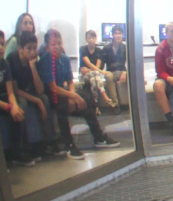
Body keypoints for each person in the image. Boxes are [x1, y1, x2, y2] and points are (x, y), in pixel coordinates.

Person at [37, 30, 120, 159]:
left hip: (64, 92)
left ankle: (98, 137)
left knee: (87, 99)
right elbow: (53, 88)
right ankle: (68, 144)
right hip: (50, 95)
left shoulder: (64, 59)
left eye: (59, 43)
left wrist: (72, 94)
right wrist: (72, 96)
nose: (58, 46)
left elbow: (70, 81)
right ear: (47, 47)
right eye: (54, 44)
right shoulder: (45, 60)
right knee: (62, 105)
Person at [7, 31, 59, 160]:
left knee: (45, 98)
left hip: (29, 91)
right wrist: (37, 101)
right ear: (20, 48)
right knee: (23, 103)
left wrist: (32, 66)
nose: (32, 52)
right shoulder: (12, 60)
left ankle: (49, 141)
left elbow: (40, 90)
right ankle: (26, 147)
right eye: (28, 48)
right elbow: (15, 90)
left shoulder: (35, 60)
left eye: (34, 48)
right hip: (16, 93)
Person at [0, 30, 35, 167]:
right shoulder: (11, 60)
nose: (1, 48)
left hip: (3, 97)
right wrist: (9, 107)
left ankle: (18, 153)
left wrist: (14, 106)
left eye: (2, 44)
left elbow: (10, 93)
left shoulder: (5, 64)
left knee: (19, 109)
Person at [79, 30, 117, 114]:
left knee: (94, 79)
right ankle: (105, 97)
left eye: (93, 38)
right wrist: (102, 72)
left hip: (93, 74)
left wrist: (89, 70)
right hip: (84, 75)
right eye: (89, 38)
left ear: (96, 38)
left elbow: (97, 66)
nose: (91, 40)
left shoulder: (99, 51)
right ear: (86, 39)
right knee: (96, 74)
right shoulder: (83, 49)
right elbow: (88, 63)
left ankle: (95, 106)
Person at [101, 25, 127, 113]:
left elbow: (131, 63)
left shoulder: (125, 48)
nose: (118, 36)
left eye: (120, 33)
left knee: (135, 77)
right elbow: (101, 65)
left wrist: (125, 73)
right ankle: (115, 105)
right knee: (109, 77)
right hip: (111, 72)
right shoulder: (106, 48)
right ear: (112, 35)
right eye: (116, 33)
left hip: (123, 71)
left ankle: (134, 104)